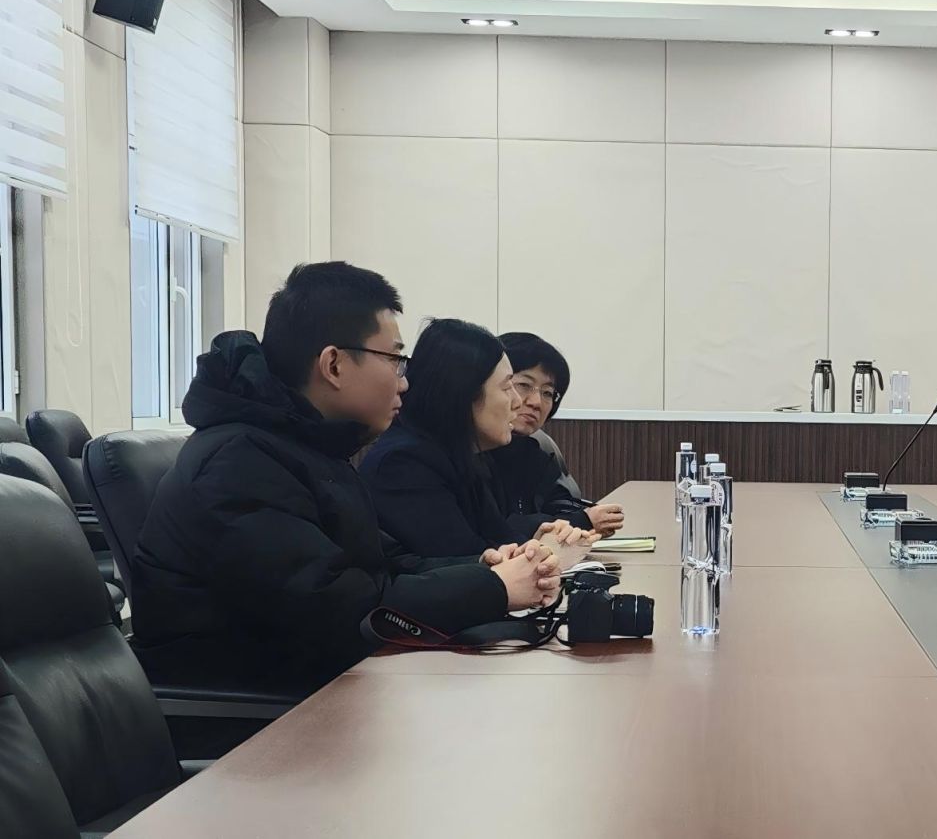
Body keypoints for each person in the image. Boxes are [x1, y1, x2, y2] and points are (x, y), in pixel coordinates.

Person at [131, 263, 559, 697]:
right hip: (261, 716)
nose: (404, 382)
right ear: (333, 364)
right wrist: (494, 588)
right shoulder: (238, 465)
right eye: (395, 360)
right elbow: (342, 610)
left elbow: (382, 564)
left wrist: (481, 567)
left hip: (326, 689)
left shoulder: (306, 447)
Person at [359, 318, 598, 561]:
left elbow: (498, 540)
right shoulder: (404, 464)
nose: (518, 402)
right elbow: (462, 564)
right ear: (463, 392)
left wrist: (536, 540)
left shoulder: (463, 456)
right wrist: (527, 555)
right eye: (508, 387)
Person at [489, 331, 624, 538]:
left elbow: (559, 503)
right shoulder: (472, 455)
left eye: (547, 393)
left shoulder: (533, 452)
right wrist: (582, 520)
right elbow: (495, 529)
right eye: (524, 385)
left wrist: (588, 517)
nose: (536, 402)